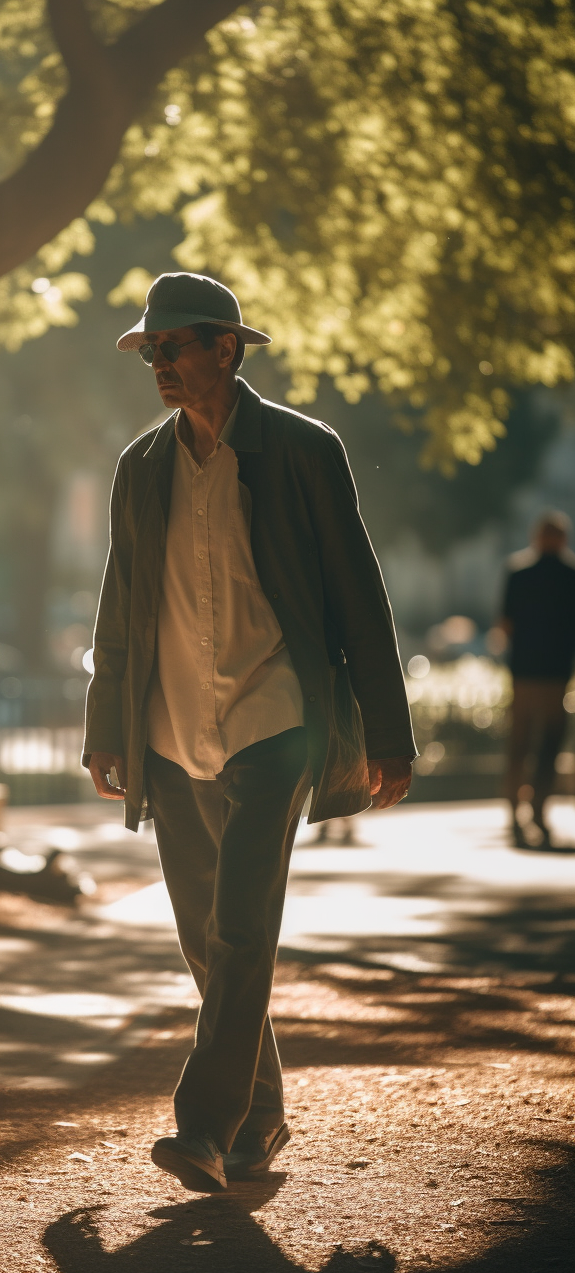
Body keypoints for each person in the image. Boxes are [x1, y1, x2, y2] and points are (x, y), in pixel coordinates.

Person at [83, 271, 415, 1193]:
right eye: (150, 350)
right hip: (169, 727)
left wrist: (389, 733)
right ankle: (259, 1118)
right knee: (205, 941)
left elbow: (358, 591)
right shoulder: (139, 467)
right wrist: (105, 727)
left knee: (240, 927)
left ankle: (200, 1128)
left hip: (279, 720)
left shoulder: (305, 451)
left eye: (174, 345)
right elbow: (121, 605)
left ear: (226, 348)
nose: (158, 363)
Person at [499, 512, 575, 850]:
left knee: (519, 744)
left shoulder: (518, 573)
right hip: (556, 674)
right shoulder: (570, 575)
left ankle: (515, 809)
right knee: (549, 746)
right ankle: (539, 809)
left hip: (524, 674)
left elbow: (504, 624)